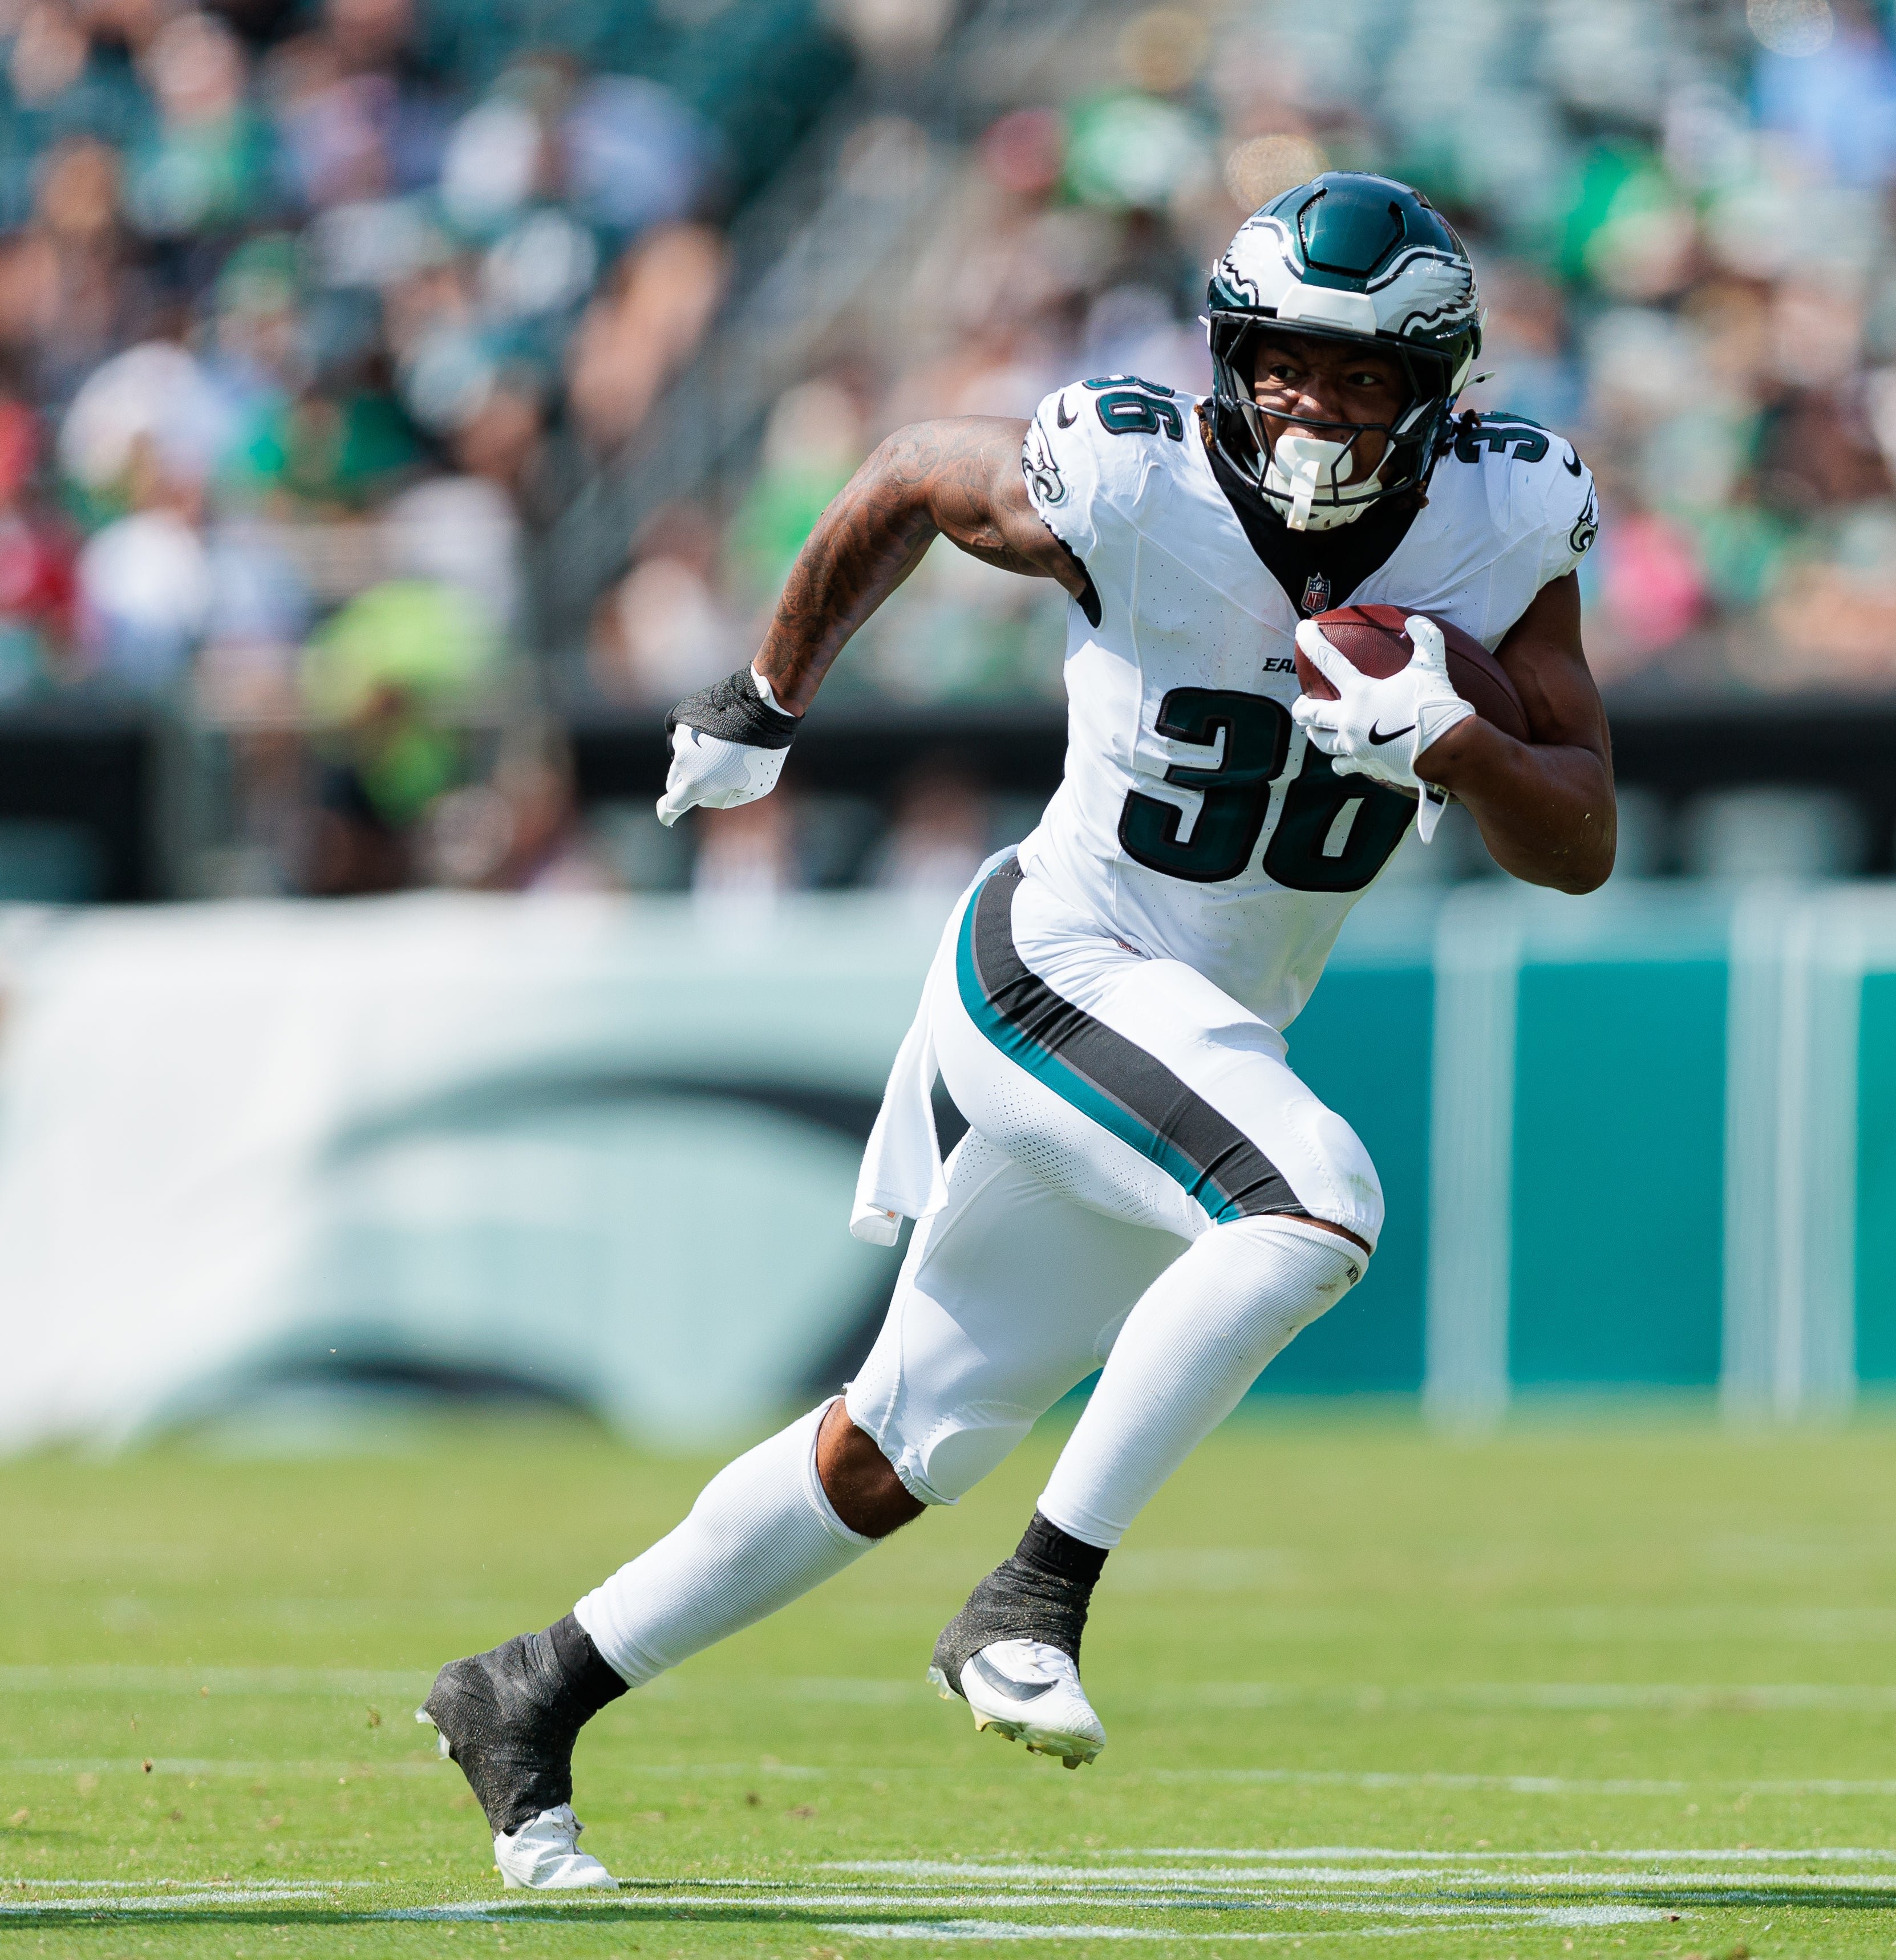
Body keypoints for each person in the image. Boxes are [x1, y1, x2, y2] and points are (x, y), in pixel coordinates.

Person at [416, 174, 1613, 1891]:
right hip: (1055, 957)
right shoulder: (1131, 476)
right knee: (1312, 1200)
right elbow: (906, 466)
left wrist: (1461, 744)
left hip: (1193, 1024)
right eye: (1283, 363)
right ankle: (1033, 1594)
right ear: (1224, 355)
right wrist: (764, 699)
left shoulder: (1505, 519)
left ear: (1435, 389)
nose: (1311, 405)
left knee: (897, 1441)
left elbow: (1577, 838)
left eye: (1357, 376)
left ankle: (527, 1690)